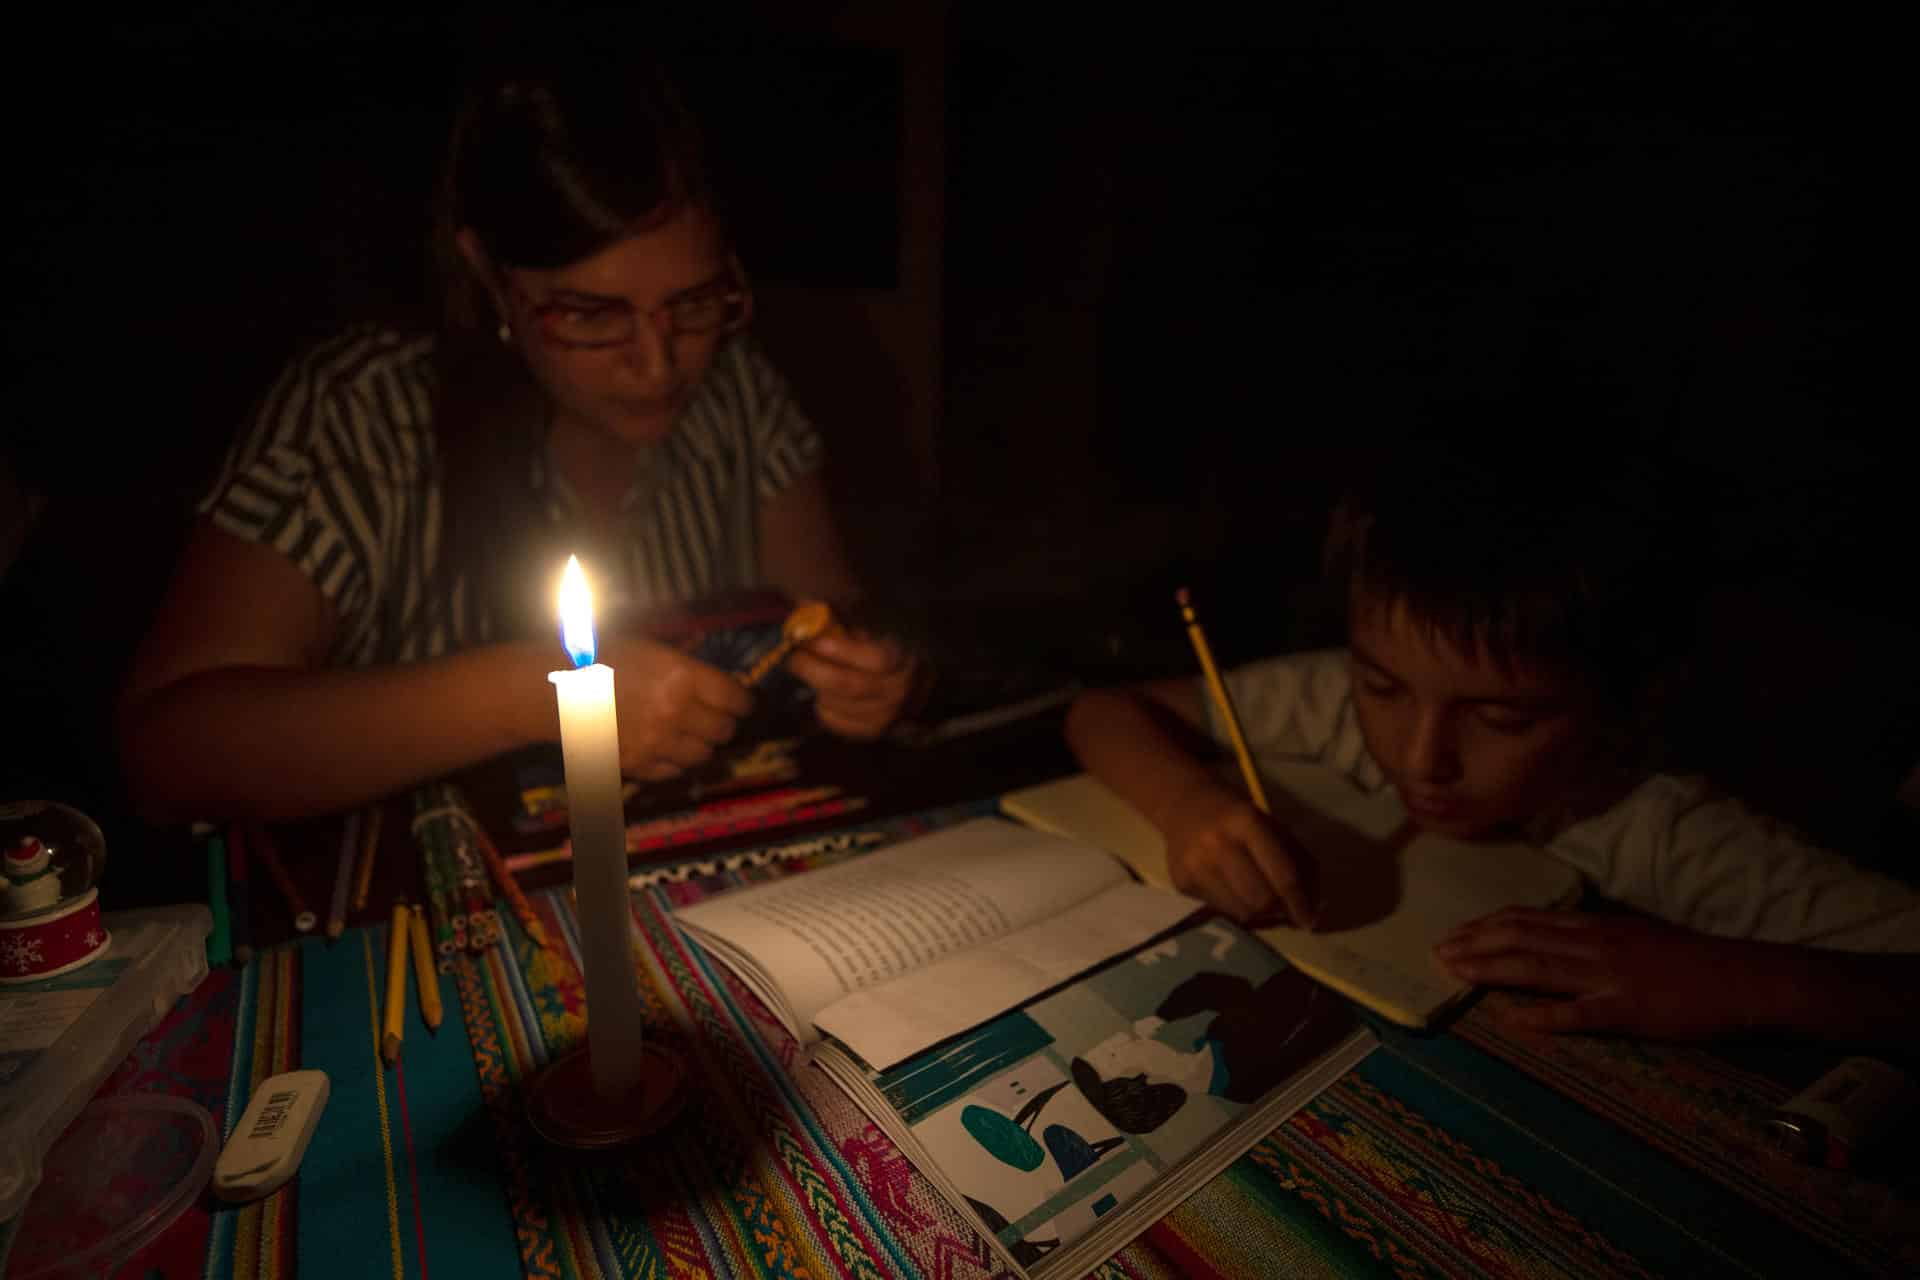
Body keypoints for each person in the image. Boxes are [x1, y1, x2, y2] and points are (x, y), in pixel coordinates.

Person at [118, 36, 918, 823]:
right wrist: (534, 693)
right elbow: (169, 754)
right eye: (590, 313)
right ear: (490, 277)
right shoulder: (364, 410)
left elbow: (836, 614)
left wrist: (864, 675)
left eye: (696, 303)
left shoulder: (742, 393)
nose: (659, 362)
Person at [1065, 431, 1920, 1046]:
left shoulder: (1664, 827)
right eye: (1385, 687)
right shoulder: (1331, 697)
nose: (1419, 756)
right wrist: (1187, 804)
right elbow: (1097, 712)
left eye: (1505, 719)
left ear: (1628, 702)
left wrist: (1738, 979)